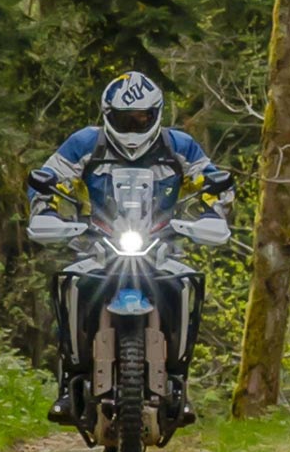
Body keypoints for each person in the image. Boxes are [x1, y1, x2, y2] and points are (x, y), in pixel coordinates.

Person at [29, 70, 231, 430]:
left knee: (188, 286)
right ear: (108, 115)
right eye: (125, 119)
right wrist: (45, 208)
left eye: (142, 118)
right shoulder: (85, 143)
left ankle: (179, 382)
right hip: (96, 244)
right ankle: (68, 383)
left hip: (163, 247)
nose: (134, 126)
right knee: (69, 285)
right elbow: (50, 177)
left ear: (156, 114)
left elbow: (210, 180)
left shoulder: (179, 146)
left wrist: (213, 211)